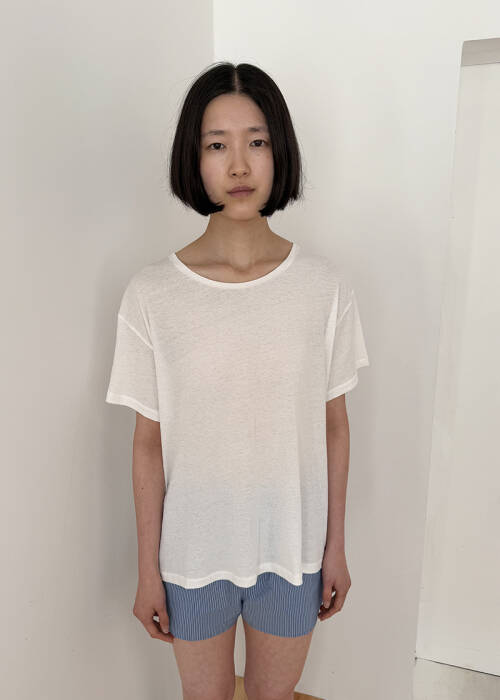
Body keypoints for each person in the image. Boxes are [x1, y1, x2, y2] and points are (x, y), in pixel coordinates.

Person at [105, 61, 370, 700]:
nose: (240, 165)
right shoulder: (152, 294)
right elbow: (148, 443)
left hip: (293, 552)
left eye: (257, 141)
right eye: (217, 145)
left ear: (280, 152)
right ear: (193, 160)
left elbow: (334, 427)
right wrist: (148, 570)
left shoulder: (324, 287)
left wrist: (335, 547)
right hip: (192, 556)